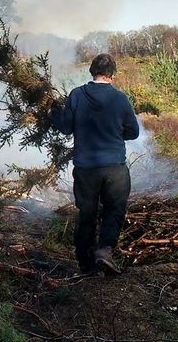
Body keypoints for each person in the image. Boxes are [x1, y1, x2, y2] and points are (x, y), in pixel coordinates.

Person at [50, 54, 139, 276]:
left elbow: (65, 128)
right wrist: (116, 132)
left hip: (85, 169)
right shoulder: (120, 99)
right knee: (115, 210)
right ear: (113, 75)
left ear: (91, 71)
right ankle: (105, 250)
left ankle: (85, 265)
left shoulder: (77, 95)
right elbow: (134, 132)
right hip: (115, 168)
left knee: (86, 214)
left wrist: (52, 115)